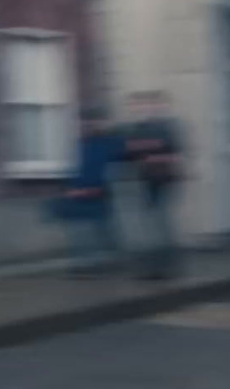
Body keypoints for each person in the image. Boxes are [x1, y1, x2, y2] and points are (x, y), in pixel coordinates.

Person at [126, 91, 185, 281]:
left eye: (150, 105)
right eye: (140, 106)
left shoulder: (167, 128)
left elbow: (175, 155)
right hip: (144, 181)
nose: (145, 109)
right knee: (148, 226)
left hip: (163, 179)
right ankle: (153, 268)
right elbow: (130, 153)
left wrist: (151, 158)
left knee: (161, 223)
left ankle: (167, 267)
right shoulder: (137, 129)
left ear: (160, 106)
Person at [60, 108, 126, 276]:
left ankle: (107, 264)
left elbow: (116, 168)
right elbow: (73, 168)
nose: (87, 126)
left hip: (101, 193)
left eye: (91, 122)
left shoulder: (111, 142)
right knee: (80, 231)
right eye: (84, 122)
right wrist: (70, 188)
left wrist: (102, 188)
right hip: (79, 193)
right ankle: (83, 265)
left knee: (103, 230)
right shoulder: (79, 144)